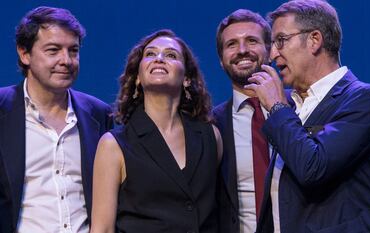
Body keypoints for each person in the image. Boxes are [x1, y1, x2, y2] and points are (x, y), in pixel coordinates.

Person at [245, 0, 370, 232]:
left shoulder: (364, 100)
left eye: (281, 40)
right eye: (272, 43)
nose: (272, 54)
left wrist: (276, 106)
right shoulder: (292, 107)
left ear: (314, 40)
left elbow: (313, 168)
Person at [90, 29, 223, 233]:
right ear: (137, 78)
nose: (159, 59)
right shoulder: (114, 145)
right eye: (150, 54)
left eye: (170, 55)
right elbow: (103, 229)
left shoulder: (210, 136)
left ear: (187, 78)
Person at [0, 6, 113, 233]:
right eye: (53, 50)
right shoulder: (2, 109)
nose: (66, 60)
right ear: (24, 54)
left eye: (73, 50)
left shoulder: (99, 114)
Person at [212, 9, 276, 233]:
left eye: (251, 41)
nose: (242, 51)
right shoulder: (210, 125)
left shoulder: (302, 108)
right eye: (231, 44)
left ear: (269, 51)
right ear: (221, 60)